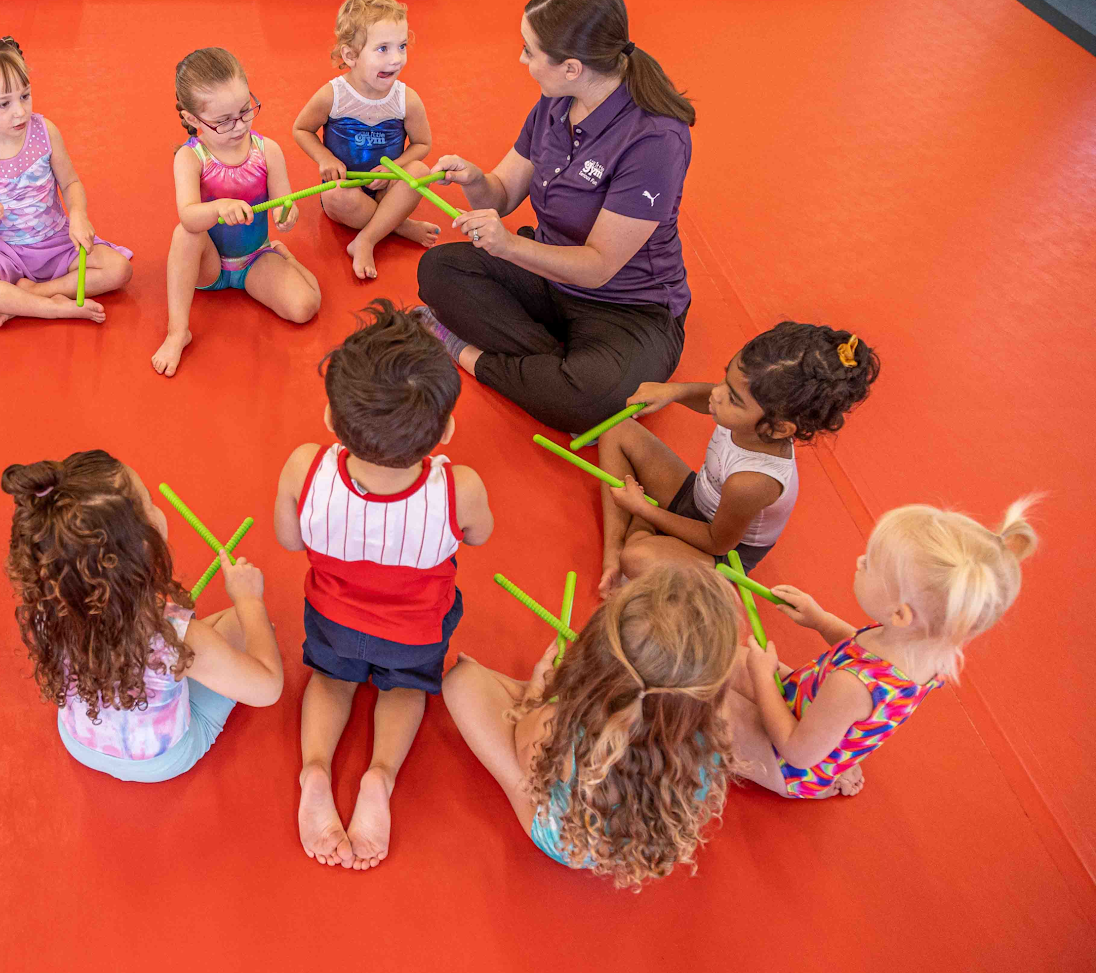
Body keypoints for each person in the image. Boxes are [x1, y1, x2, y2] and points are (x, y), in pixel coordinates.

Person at [415, 0, 696, 435]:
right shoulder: (556, 102)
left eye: (529, 50)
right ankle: (559, 366)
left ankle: (471, 354)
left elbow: (599, 267)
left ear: (571, 67)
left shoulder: (655, 139)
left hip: (627, 306)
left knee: (586, 396)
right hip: (549, 276)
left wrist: (506, 247)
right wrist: (474, 179)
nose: (521, 58)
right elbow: (502, 194)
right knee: (439, 270)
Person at [275, 300, 494, 870]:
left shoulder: (305, 466)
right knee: (403, 691)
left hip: (333, 619)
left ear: (331, 418)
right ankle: (380, 776)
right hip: (416, 630)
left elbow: (290, 540)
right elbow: (479, 537)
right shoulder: (459, 487)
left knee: (329, 681)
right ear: (445, 430)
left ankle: (316, 769)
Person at [443, 564, 734, 888]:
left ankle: (525, 689)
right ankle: (526, 689)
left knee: (462, 682)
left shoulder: (564, 726)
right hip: (634, 841)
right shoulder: (704, 734)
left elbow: (528, 750)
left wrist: (538, 697)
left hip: (566, 839)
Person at [1, 451, 284, 782]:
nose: (157, 507)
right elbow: (269, 687)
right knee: (241, 624)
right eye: (149, 502)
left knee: (181, 655)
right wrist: (250, 600)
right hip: (161, 762)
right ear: (141, 546)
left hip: (79, 743)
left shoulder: (46, 609)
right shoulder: (176, 636)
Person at [725, 499, 1037, 799]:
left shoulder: (849, 686)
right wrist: (819, 620)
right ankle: (833, 751)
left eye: (871, 564)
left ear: (900, 614)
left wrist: (764, 679)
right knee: (728, 662)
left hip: (789, 766)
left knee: (704, 704)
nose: (860, 561)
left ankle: (825, 773)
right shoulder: (916, 646)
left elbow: (797, 752)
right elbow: (859, 647)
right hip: (807, 709)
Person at [597, 322, 880, 590]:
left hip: (722, 551)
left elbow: (717, 542)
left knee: (637, 558)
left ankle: (654, 546)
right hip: (697, 499)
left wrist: (645, 510)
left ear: (779, 427)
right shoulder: (754, 418)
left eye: (732, 398)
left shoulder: (752, 481)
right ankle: (615, 550)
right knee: (616, 430)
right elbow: (712, 397)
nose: (717, 394)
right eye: (725, 380)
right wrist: (674, 392)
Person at [151, 48, 321, 377]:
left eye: (245, 111)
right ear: (191, 119)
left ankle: (288, 259)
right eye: (223, 121)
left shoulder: (267, 150)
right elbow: (188, 216)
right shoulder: (191, 158)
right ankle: (177, 332)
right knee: (184, 234)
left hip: (255, 258)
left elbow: (284, 205)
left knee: (305, 307)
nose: (239, 125)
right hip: (208, 265)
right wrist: (218, 208)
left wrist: (287, 216)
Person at [0, 36, 132, 327]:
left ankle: (33, 294)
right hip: (2, 250)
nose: (19, 111)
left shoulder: (45, 132)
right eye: (3, 104)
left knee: (118, 270)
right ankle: (54, 308)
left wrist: (79, 216)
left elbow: (70, 184)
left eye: (25, 96)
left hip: (55, 241)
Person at [291, 0, 440, 280]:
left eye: (402, 46)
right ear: (350, 56)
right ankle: (398, 224)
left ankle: (366, 238)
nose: (396, 59)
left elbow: (423, 144)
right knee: (334, 196)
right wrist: (324, 157)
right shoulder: (332, 95)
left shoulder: (406, 99)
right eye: (382, 49)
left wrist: (393, 168)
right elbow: (301, 129)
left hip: (387, 184)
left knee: (420, 172)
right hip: (347, 190)